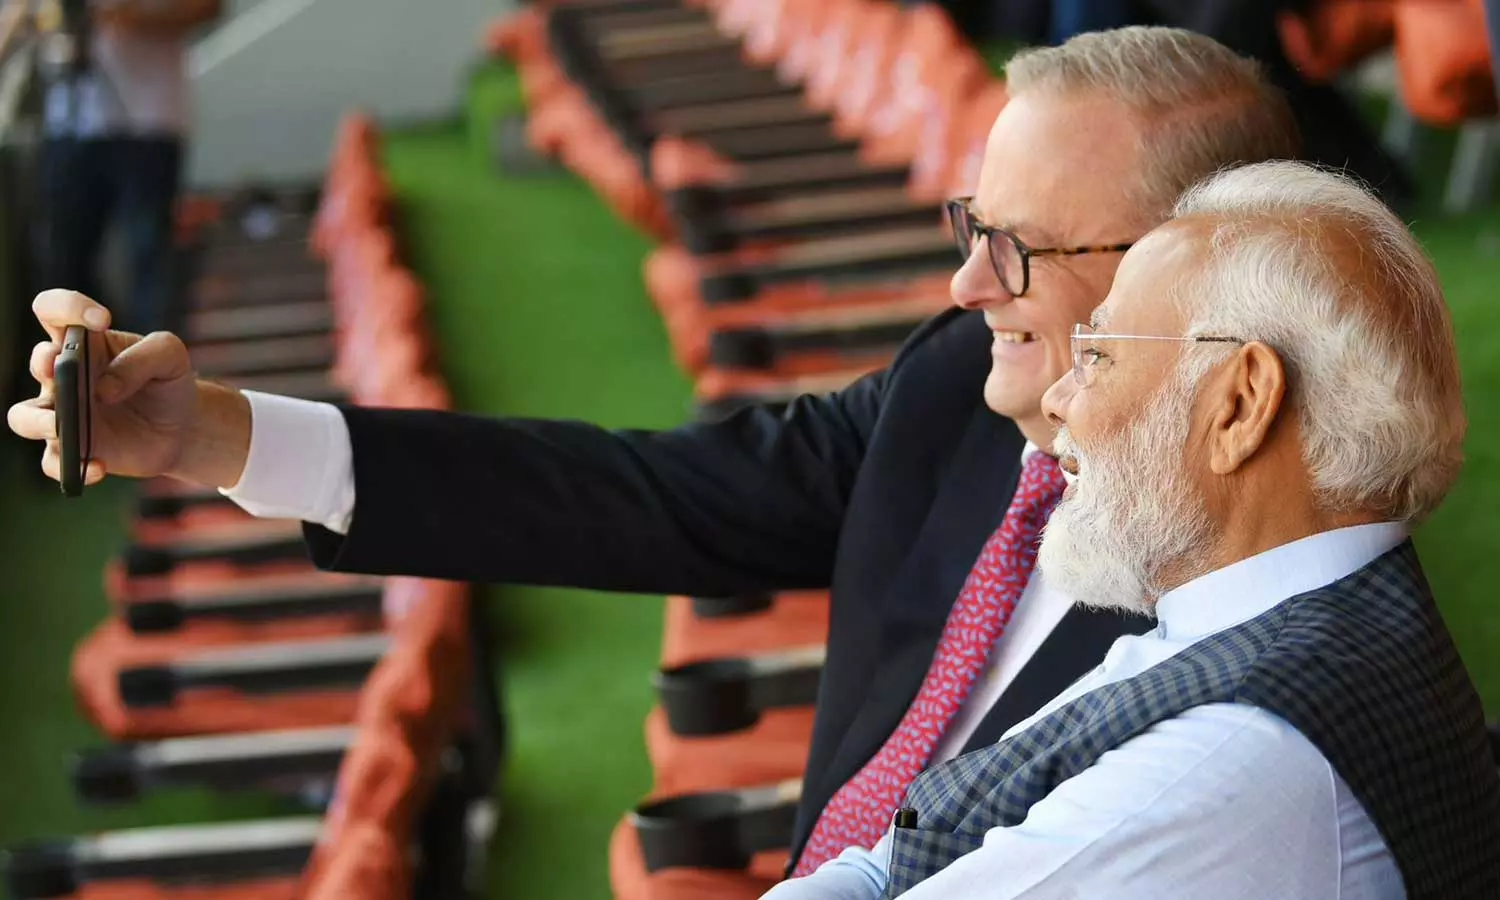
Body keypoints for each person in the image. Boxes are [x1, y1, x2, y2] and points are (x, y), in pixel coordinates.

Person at [7, 27, 1302, 877]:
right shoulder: (951, 392)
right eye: (972, 226)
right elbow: (633, 497)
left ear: (1193, 272)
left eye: (1020, 249)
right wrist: (213, 434)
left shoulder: (1254, 589)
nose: (967, 286)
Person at [763, 159, 1500, 900]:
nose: (1059, 400)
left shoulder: (1234, 753)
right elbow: (882, 864)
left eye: (1098, 356)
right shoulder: (1245, 624)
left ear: (1240, 406)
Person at [34, 0, 223, 337]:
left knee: (146, 259)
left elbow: (208, 8)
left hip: (148, 121)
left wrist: (126, 16)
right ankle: (94, 353)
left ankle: (150, 358)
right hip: (71, 124)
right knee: (62, 261)